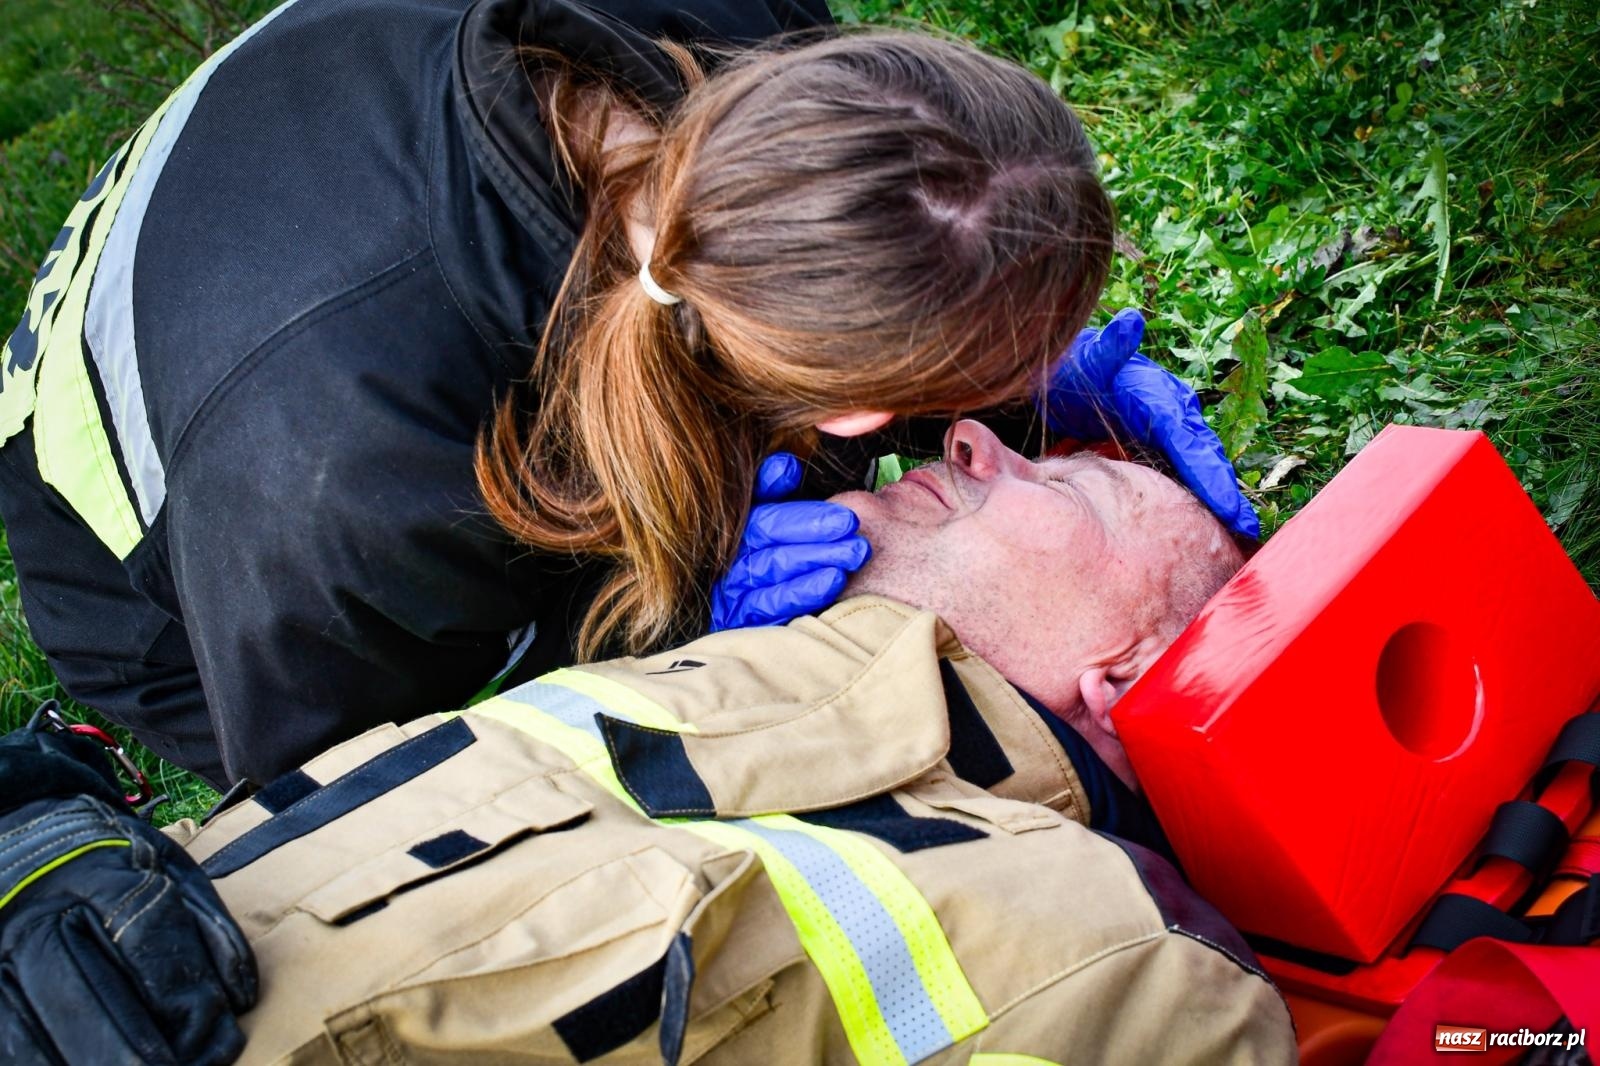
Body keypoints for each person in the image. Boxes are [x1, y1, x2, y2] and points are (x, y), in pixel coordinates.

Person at [0, 0, 1256, 795]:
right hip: (155, 572)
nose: (989, 429)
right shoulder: (352, 496)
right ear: (845, 412)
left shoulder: (765, 76)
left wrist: (1023, 378)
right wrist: (646, 649)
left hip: (303, 164)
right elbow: (348, 811)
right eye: (981, 394)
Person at [0, 420, 1286, 1064]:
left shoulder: (1134, 964)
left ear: (1121, 678)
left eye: (1073, 484)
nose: (975, 437)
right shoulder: (731, 667)